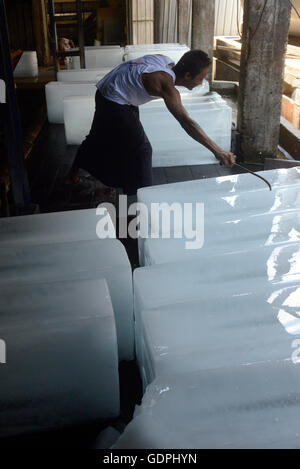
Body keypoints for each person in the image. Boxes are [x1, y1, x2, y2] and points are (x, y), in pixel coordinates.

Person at [65, 50, 236, 195]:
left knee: (100, 138)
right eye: (201, 77)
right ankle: (141, 200)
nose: (202, 82)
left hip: (110, 92)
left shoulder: (166, 61)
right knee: (142, 149)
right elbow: (187, 123)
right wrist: (218, 151)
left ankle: (72, 175)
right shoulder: (166, 85)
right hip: (114, 100)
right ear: (188, 75)